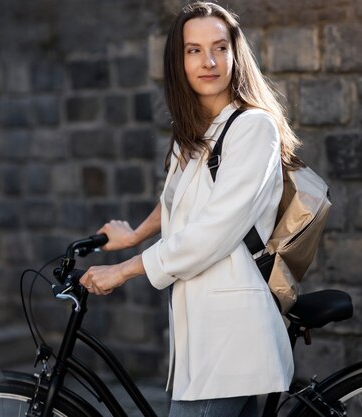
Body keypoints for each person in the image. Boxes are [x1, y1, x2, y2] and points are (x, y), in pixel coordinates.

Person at [80, 2, 302, 416]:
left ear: (236, 55)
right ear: (178, 60)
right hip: (202, 330)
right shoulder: (197, 133)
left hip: (231, 332)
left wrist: (125, 269)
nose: (209, 61)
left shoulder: (252, 128)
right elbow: (178, 202)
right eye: (194, 50)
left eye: (219, 47)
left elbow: (215, 229)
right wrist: (134, 236)